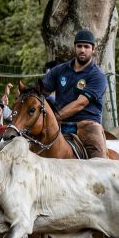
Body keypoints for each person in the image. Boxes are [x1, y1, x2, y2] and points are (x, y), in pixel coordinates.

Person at [40, 29, 108, 159]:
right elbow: (41, 90)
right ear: (74, 48)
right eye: (79, 46)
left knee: (99, 163)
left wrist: (55, 117)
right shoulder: (59, 70)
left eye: (86, 47)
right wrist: (27, 92)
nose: (82, 50)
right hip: (59, 125)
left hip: (88, 126)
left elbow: (80, 104)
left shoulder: (98, 76)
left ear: (93, 50)